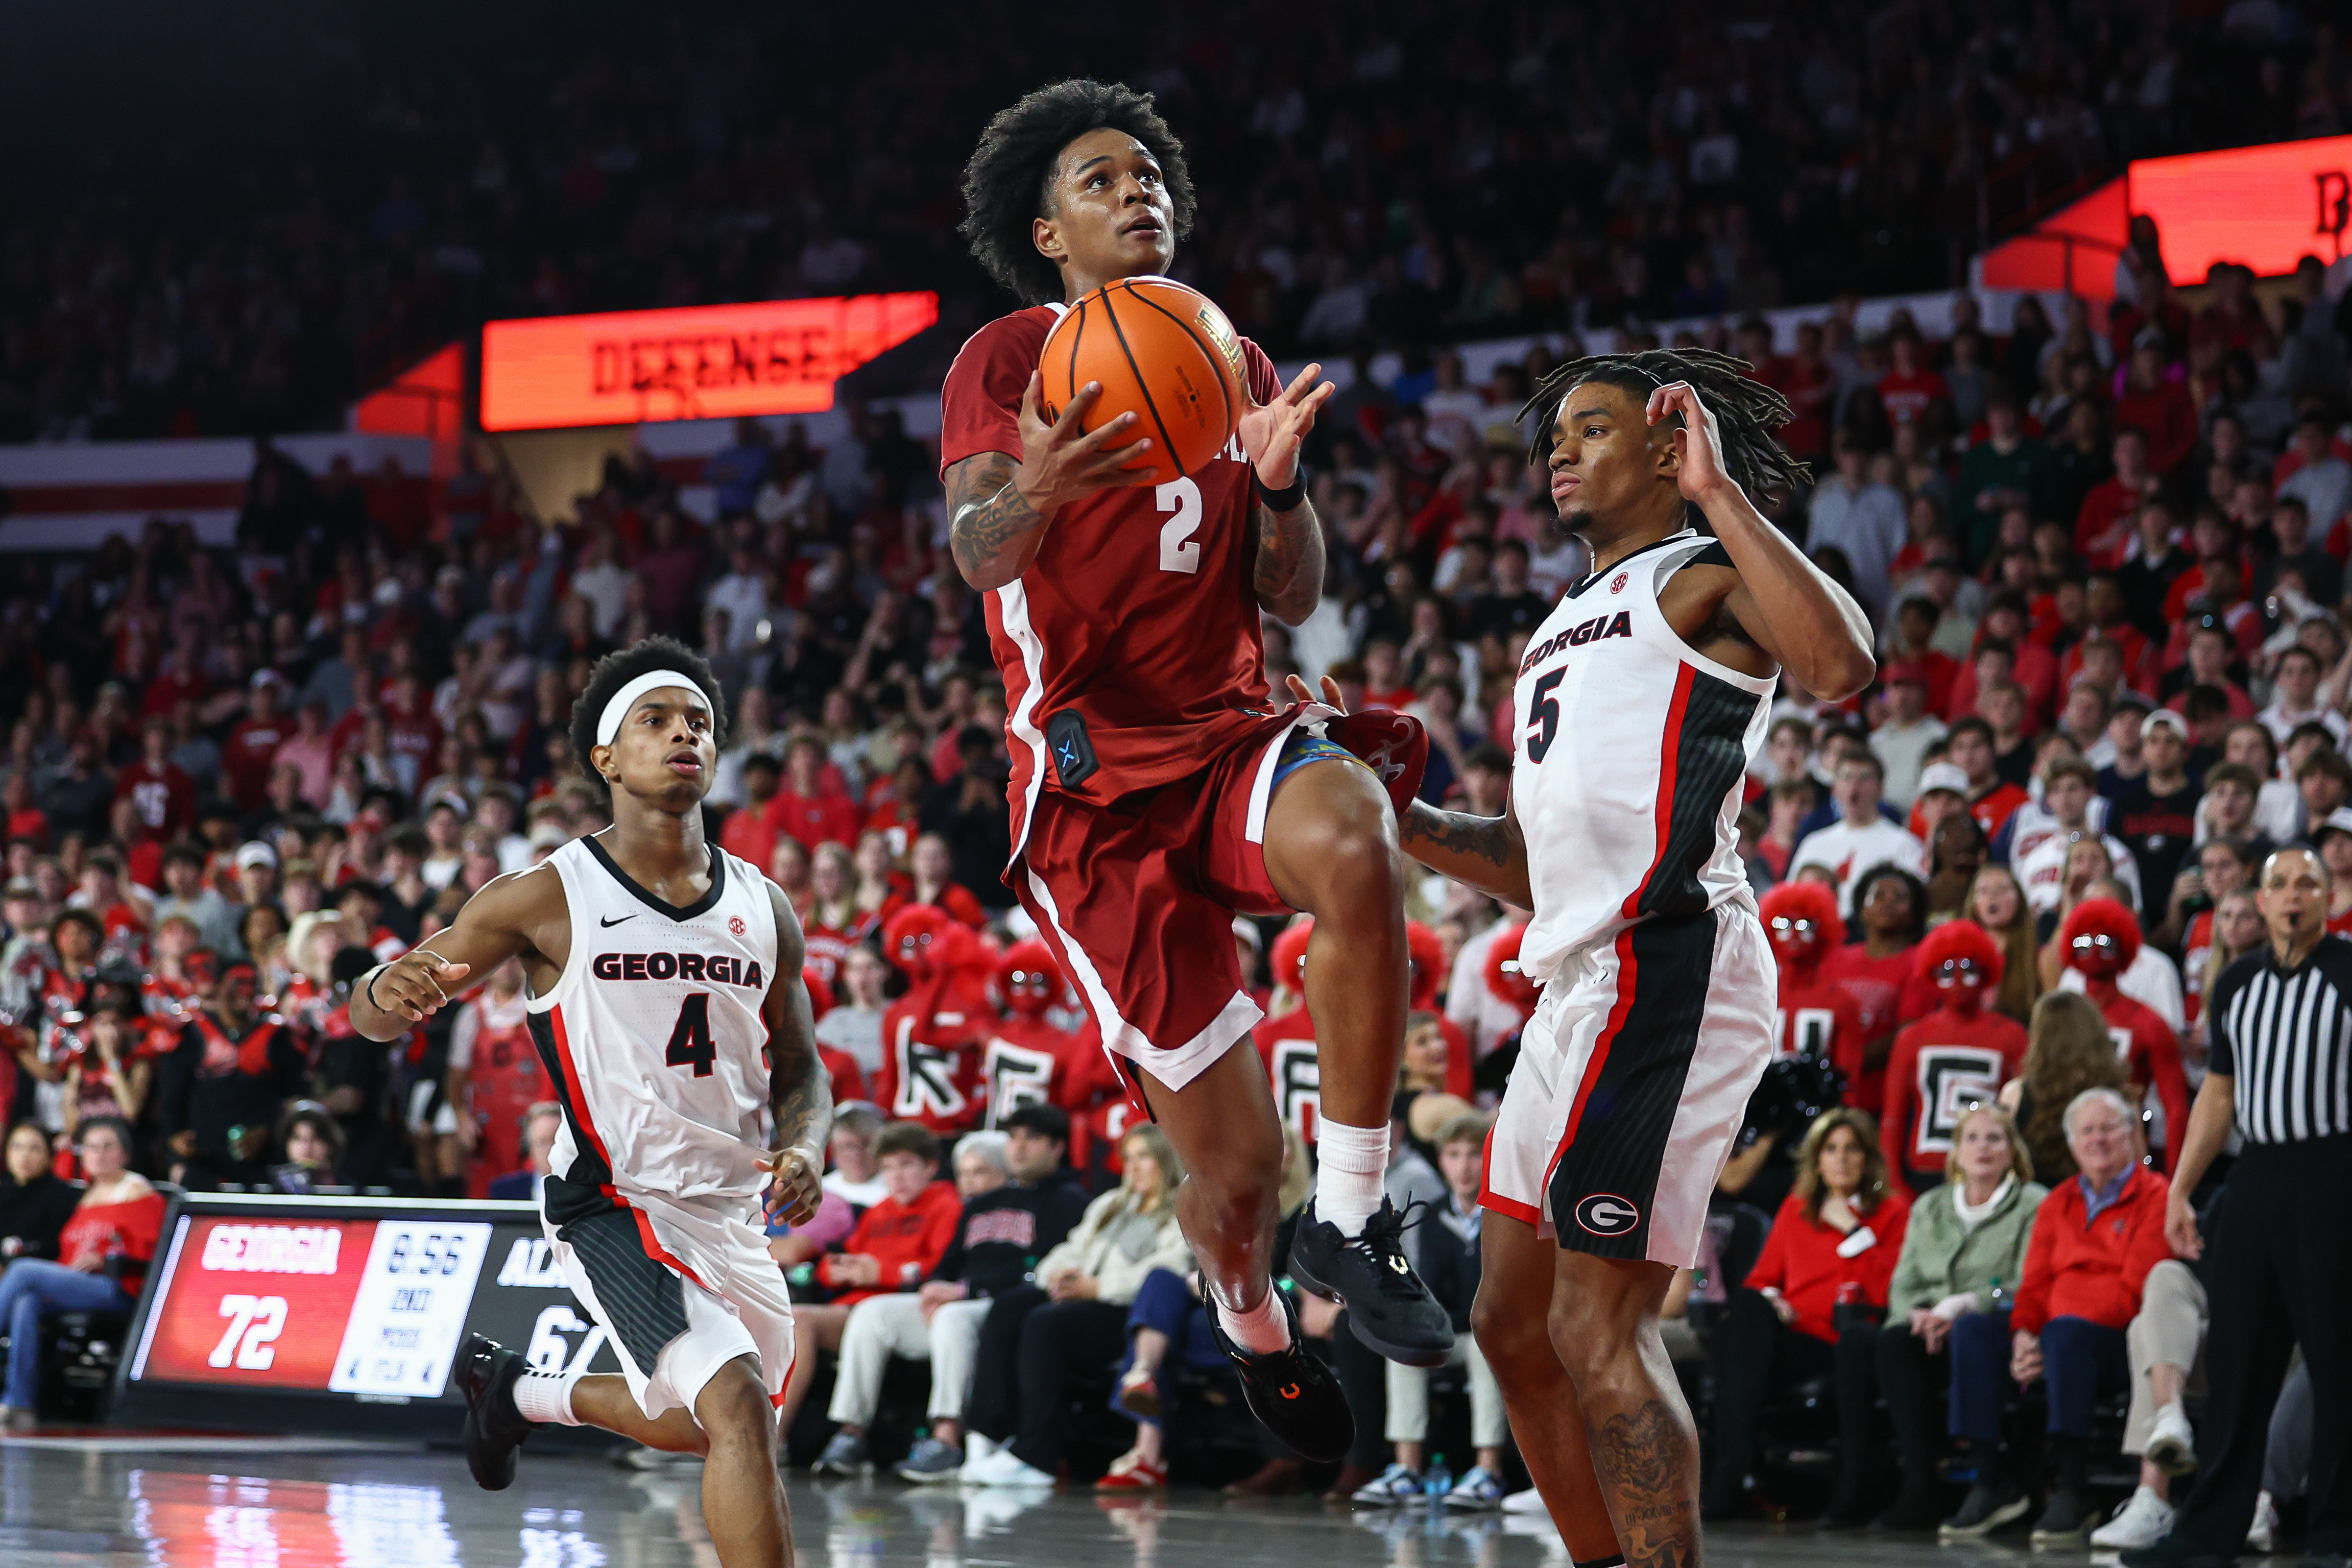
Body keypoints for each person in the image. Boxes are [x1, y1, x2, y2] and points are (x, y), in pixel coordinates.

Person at [941, 81, 1448, 1463]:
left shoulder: (1233, 357)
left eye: (1148, 173)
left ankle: (1346, 1216)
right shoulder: (1004, 358)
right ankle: (1250, 1312)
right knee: (1228, 1174)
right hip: (1091, 785)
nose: (1137, 191)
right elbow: (976, 554)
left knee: (1353, 839)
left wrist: (1277, 489)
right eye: (1101, 179)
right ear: (1047, 232)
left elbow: (1288, 586)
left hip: (1227, 728)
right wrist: (1035, 485)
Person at [1384, 342, 1874, 1567]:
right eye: (1552, 434)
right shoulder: (1553, 627)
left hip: (1671, 964)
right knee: (1506, 1320)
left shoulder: (1704, 572)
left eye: (1591, 429)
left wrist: (1723, 494)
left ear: (1666, 445)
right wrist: (1396, 809)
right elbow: (1537, 865)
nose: (1558, 449)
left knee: (1598, 1326)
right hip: (1573, 982)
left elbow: (1840, 666)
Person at [348, 638, 831, 1568]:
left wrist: (805, 1147)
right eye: (654, 720)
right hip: (614, 1197)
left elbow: (803, 1066)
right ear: (606, 757)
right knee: (732, 1407)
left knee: (707, 1426)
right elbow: (375, 1012)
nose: (682, 734)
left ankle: (520, 1392)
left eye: (697, 722)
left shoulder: (764, 906)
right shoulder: (546, 895)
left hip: (730, 1208)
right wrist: (385, 990)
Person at [2124, 845, 2352, 1568]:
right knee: (2238, 1354)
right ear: (2257, 898)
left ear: (2327, 896)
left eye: (2306, 883)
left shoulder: (2349, 972)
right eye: (2279, 883)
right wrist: (2183, 1189)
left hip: (2334, 1172)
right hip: (2254, 1176)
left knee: (2336, 1361)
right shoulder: (2236, 982)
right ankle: (2205, 1532)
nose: (2292, 896)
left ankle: (2334, 1531)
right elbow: (2216, 1094)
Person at [812, 1103, 1090, 1483]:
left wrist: (963, 1289)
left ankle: (946, 1437)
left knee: (951, 1316)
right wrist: (932, 1287)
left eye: (1033, 1139)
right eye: (1014, 1137)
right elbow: (950, 1260)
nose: (1020, 1148)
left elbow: (1044, 1264)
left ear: (1057, 1147)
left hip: (1003, 1304)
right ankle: (851, 1432)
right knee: (873, 1312)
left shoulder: (1068, 1199)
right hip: (959, 1299)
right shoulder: (983, 1202)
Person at [1945, 1088, 2171, 1547]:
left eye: (2109, 1128)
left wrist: (2047, 1337)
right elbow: (2034, 1285)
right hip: (2055, 1335)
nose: (2098, 1139)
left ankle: (2074, 1488)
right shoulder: (2058, 1201)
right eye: (2087, 1131)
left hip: (2117, 1341)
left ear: (2132, 1135)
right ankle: (1991, 1480)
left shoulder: (2156, 1196)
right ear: (2072, 1144)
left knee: (2066, 1335)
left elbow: (2136, 1294)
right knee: (1972, 1331)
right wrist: (2025, 1334)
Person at [1705, 1108, 1910, 1521]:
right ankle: (1738, 1464)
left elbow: (1893, 1285)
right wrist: (1772, 1298)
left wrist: (1853, 1230)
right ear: (1817, 1160)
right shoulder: (1796, 1210)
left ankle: (1733, 1474)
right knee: (1746, 1310)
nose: (1842, 1158)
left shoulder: (1893, 1212)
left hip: (1844, 1340)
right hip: (1792, 1334)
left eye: (1853, 1149)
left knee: (1734, 1348)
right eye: (1831, 1149)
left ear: (1869, 1158)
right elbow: (1762, 1278)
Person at [959, 1124, 1192, 1486]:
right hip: (1083, 1295)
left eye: (1144, 1157)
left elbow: (1169, 1269)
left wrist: (1096, 1287)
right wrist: (1058, 1276)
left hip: (1127, 1309)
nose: (1133, 1167)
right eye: (1128, 1158)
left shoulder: (1185, 1208)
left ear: (1166, 1160)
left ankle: (1038, 1455)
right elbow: (1071, 1247)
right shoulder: (1111, 1203)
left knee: (1046, 1324)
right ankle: (989, 1431)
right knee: (1010, 1306)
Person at [1874, 1105, 2045, 1530]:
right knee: (1892, 1340)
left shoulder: (2033, 1202)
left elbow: (2027, 1282)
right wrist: (1919, 1316)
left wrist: (1962, 1305)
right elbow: (1904, 1284)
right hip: (1932, 1330)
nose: (1982, 1147)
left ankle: (1990, 1477)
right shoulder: (1929, 1206)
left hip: (1995, 1325)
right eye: (1972, 1138)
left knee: (1970, 1330)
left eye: (1994, 1138)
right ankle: (1920, 1481)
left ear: (2012, 1151)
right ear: (1955, 1152)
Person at [1352, 1112, 1510, 1510]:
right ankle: (1408, 1467)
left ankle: (1488, 1470)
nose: (1464, 1166)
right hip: (1458, 1326)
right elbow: (1433, 1289)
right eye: (1454, 1155)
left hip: (1496, 1331)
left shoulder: (1505, 1214)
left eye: (1474, 1155)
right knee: (1409, 1348)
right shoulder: (1436, 1214)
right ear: (1441, 1160)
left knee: (1481, 1346)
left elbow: (1502, 1296)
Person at [775, 1120, 961, 1440]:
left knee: (800, 1320)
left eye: (906, 1165)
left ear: (931, 1167)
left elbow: (941, 1268)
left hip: (907, 1308)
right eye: (888, 1168)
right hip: (853, 1307)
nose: (896, 1177)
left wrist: (881, 1273)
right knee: (786, 1318)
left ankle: (775, 1437)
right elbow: (834, 1263)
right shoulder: (879, 1211)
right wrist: (836, 1270)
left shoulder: (947, 1205)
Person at [0, 1117, 163, 1427]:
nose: (99, 1154)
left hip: (119, 1288)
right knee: (26, 1301)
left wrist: (105, 1257)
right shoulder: (86, 1198)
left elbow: (151, 1250)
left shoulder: (136, 1190)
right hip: (80, 1286)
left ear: (124, 1154)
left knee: (22, 1271)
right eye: (91, 1148)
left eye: (107, 1147)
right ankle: (19, 1404)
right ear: (82, 1156)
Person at [1879, 920, 2028, 1193]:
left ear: (1985, 972)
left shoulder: (2012, 1036)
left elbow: (2019, 1119)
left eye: (1969, 969)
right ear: (1932, 975)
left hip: (1988, 1172)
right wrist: (1894, 1185)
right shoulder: (1912, 1038)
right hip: (1923, 1173)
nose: (1958, 980)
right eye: (1947, 970)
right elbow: (1893, 1119)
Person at [2055, 898, 2189, 1169]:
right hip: (2061, 1152)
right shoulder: (2060, 1018)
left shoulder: (2147, 1023)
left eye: (2105, 942)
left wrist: (2174, 1186)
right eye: (2083, 942)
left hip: (2125, 1156)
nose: (2093, 951)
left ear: (2124, 947)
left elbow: (2176, 1109)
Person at [2000, 991, 2131, 1186]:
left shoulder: (2015, 1095)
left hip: (2037, 1207)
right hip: (2100, 1205)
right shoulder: (2118, 1094)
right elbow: (2136, 1166)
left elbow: (2004, 1164)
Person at [1790, 752, 1930, 914]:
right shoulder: (1813, 843)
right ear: (1835, 788)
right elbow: (1791, 899)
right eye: (1846, 777)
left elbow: (1916, 903)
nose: (1854, 785)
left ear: (1881, 788)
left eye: (1864, 778)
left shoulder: (1904, 844)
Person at [0, 1122, 79, 1263]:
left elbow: (54, 1246)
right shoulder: (3, 1187)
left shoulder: (62, 1195)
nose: (25, 1156)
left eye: (35, 1149)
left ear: (50, 1157)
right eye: (17, 1147)